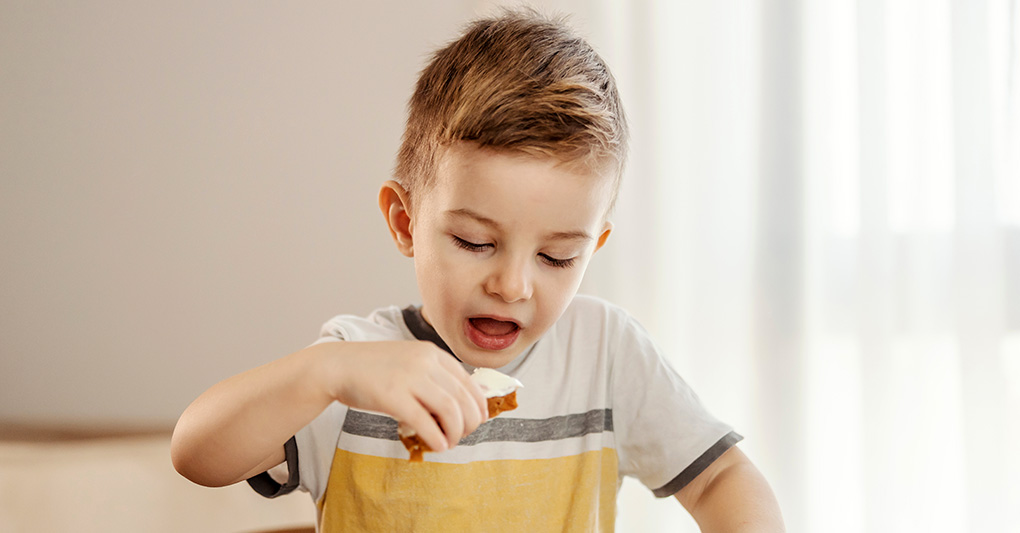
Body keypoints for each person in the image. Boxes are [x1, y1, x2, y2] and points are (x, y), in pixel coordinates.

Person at [171, 8, 784, 532]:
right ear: (406, 223)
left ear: (593, 248)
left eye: (556, 257)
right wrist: (326, 372)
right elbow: (196, 453)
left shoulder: (605, 353)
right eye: (473, 241)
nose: (513, 286)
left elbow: (719, 479)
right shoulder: (358, 367)